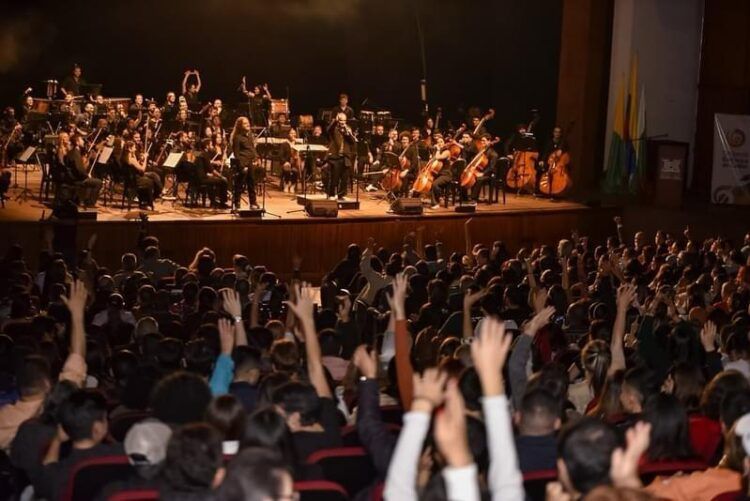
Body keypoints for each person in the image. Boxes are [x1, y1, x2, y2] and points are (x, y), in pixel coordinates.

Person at [34, 391, 123, 500]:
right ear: (97, 428)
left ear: (64, 430)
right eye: (105, 418)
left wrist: (56, 440)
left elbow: (45, 479)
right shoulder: (122, 455)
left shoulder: (62, 472)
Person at [230, 116, 260, 210]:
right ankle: (237, 203)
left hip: (250, 162)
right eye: (245, 123)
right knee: (239, 184)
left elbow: (252, 149)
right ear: (240, 126)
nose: (248, 124)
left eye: (248, 123)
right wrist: (242, 166)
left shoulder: (249, 136)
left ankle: (253, 202)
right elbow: (236, 154)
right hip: (242, 163)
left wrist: (256, 157)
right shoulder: (237, 138)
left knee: (251, 183)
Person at [326, 112, 356, 200]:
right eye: (341, 120)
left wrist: (348, 134)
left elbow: (352, 142)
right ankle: (331, 194)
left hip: (345, 157)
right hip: (335, 157)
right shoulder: (334, 129)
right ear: (338, 120)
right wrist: (335, 121)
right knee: (334, 178)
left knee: (344, 178)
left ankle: (341, 195)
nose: (343, 123)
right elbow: (328, 130)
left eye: (344, 120)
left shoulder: (348, 129)